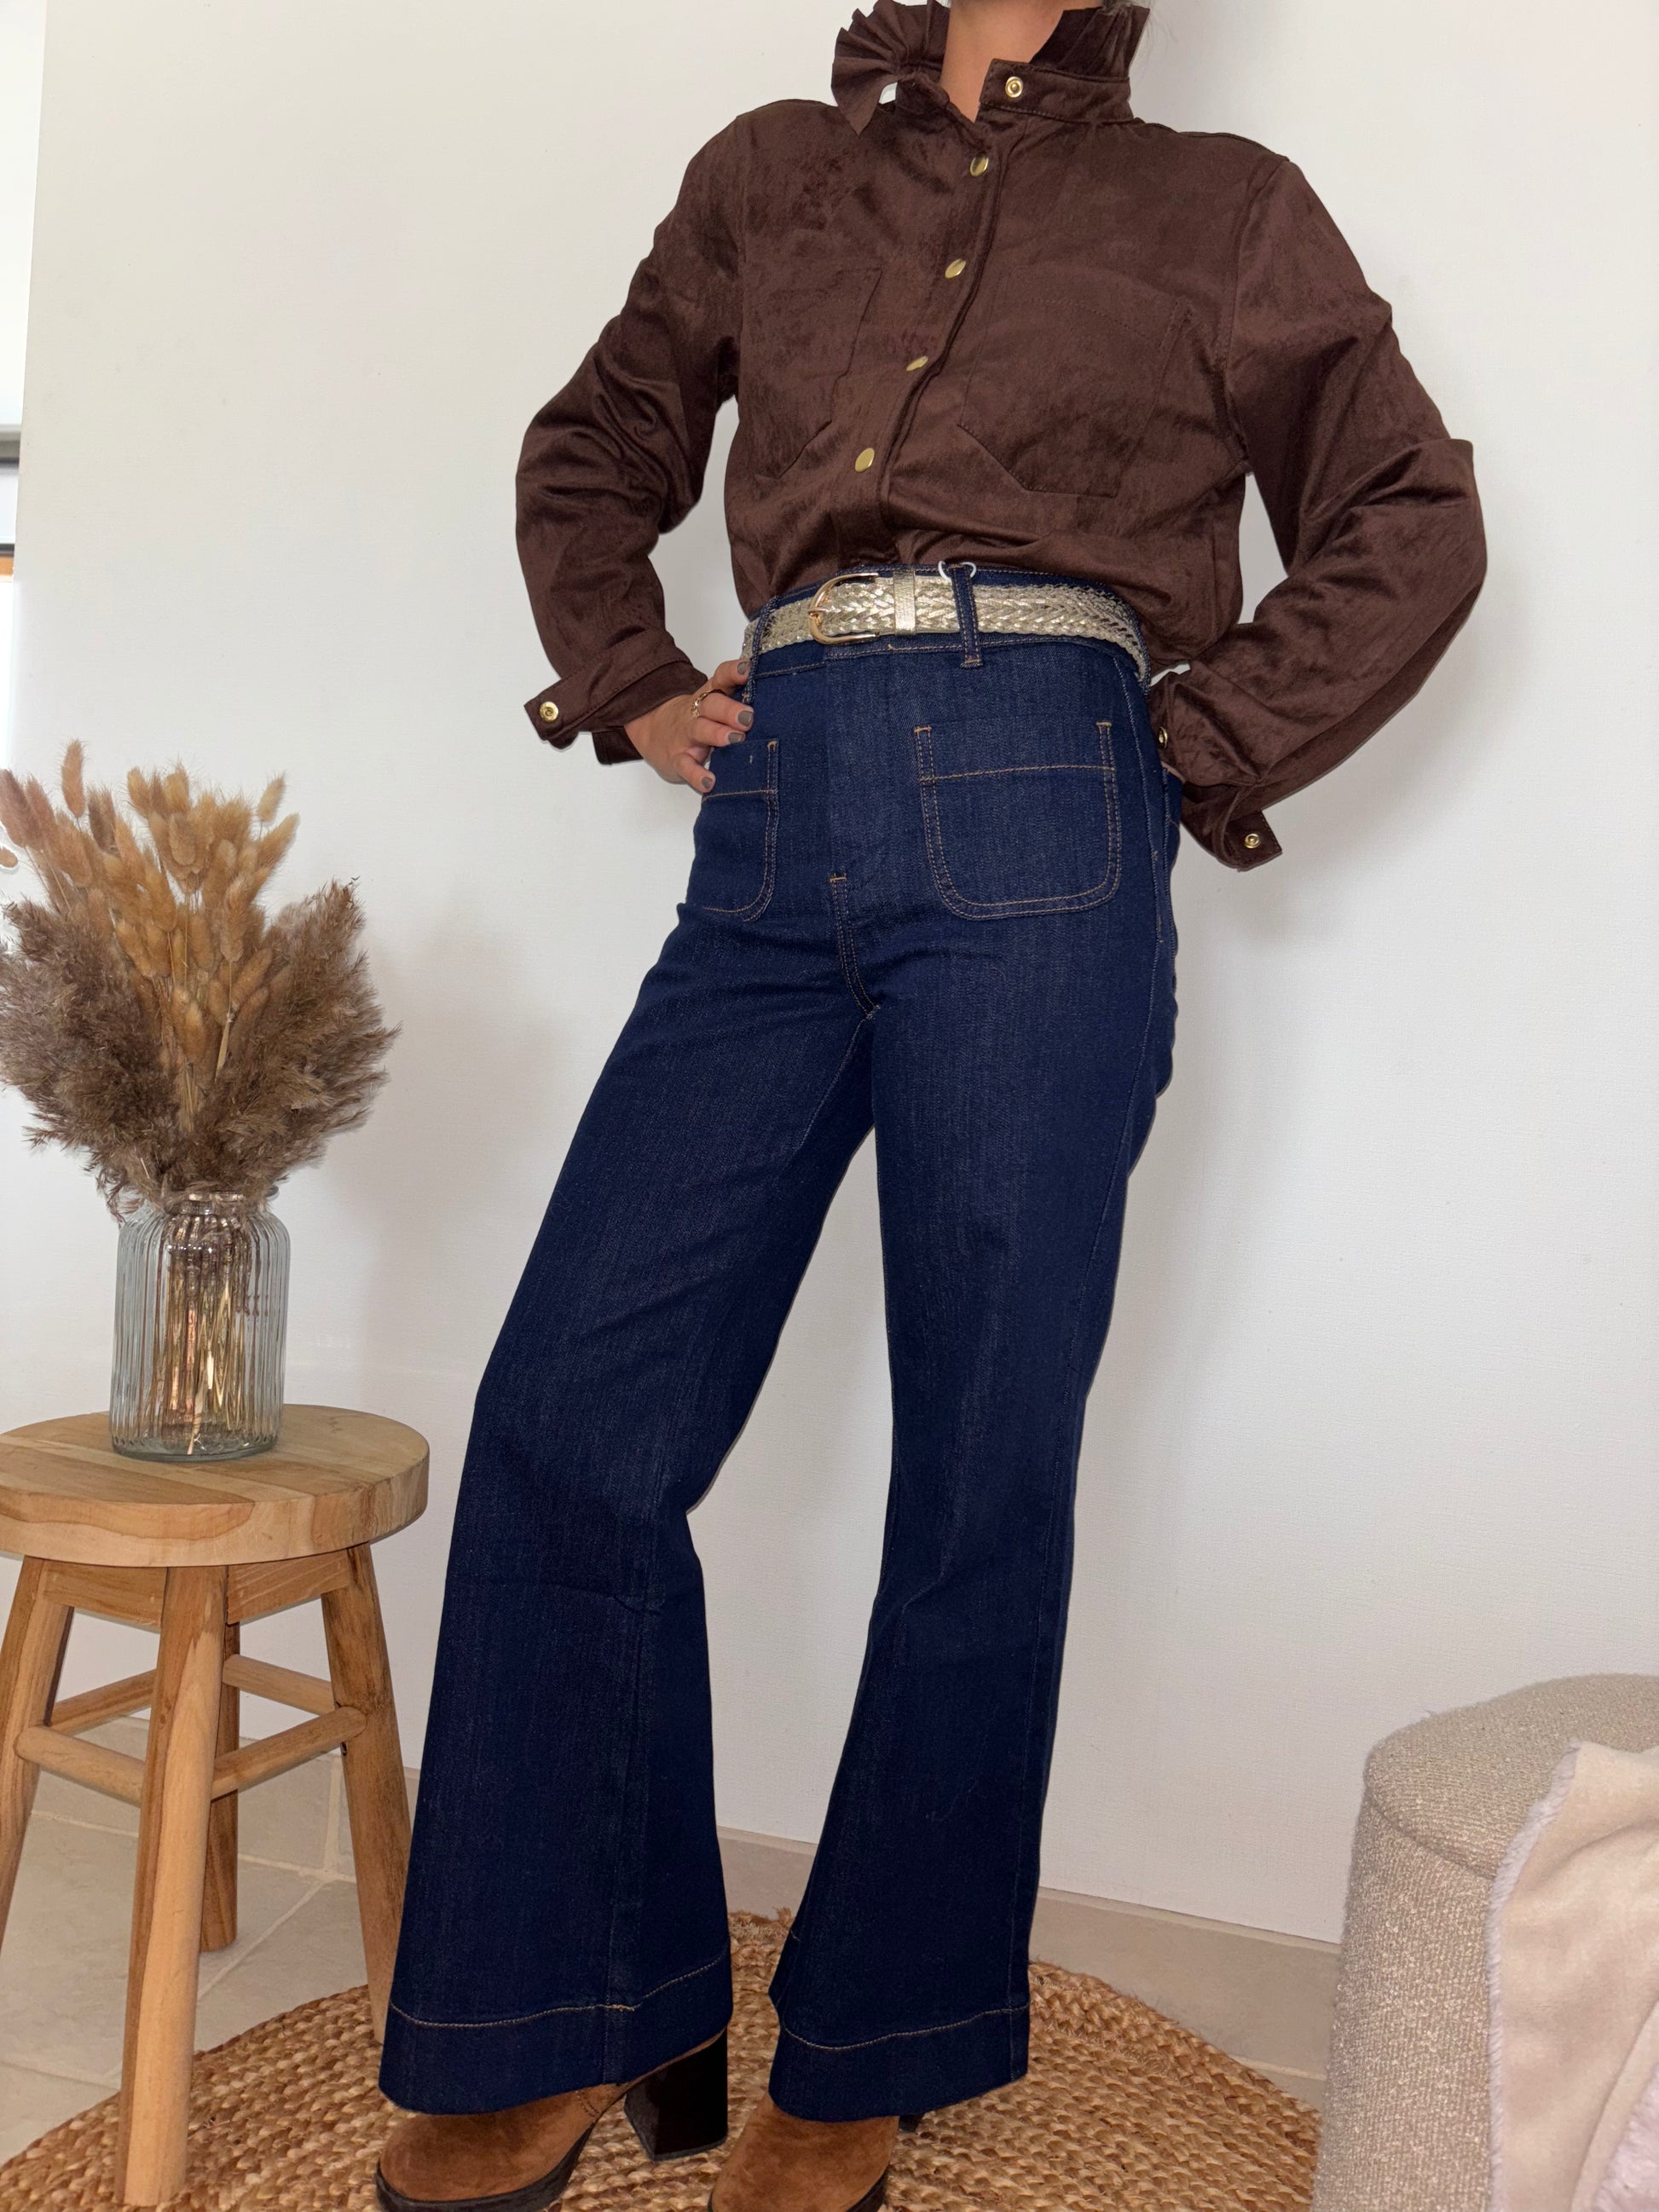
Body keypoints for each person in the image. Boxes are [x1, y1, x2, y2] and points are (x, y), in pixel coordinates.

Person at [373, 2, 1486, 2207]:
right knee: (573, 1418)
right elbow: (592, 443)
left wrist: (1179, 748)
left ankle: (867, 2045)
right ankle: (571, 2005)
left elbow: (1409, 514)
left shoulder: (1222, 213)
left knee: (981, 1459)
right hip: (779, 800)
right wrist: (625, 675)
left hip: (1050, 795)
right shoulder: (767, 173)